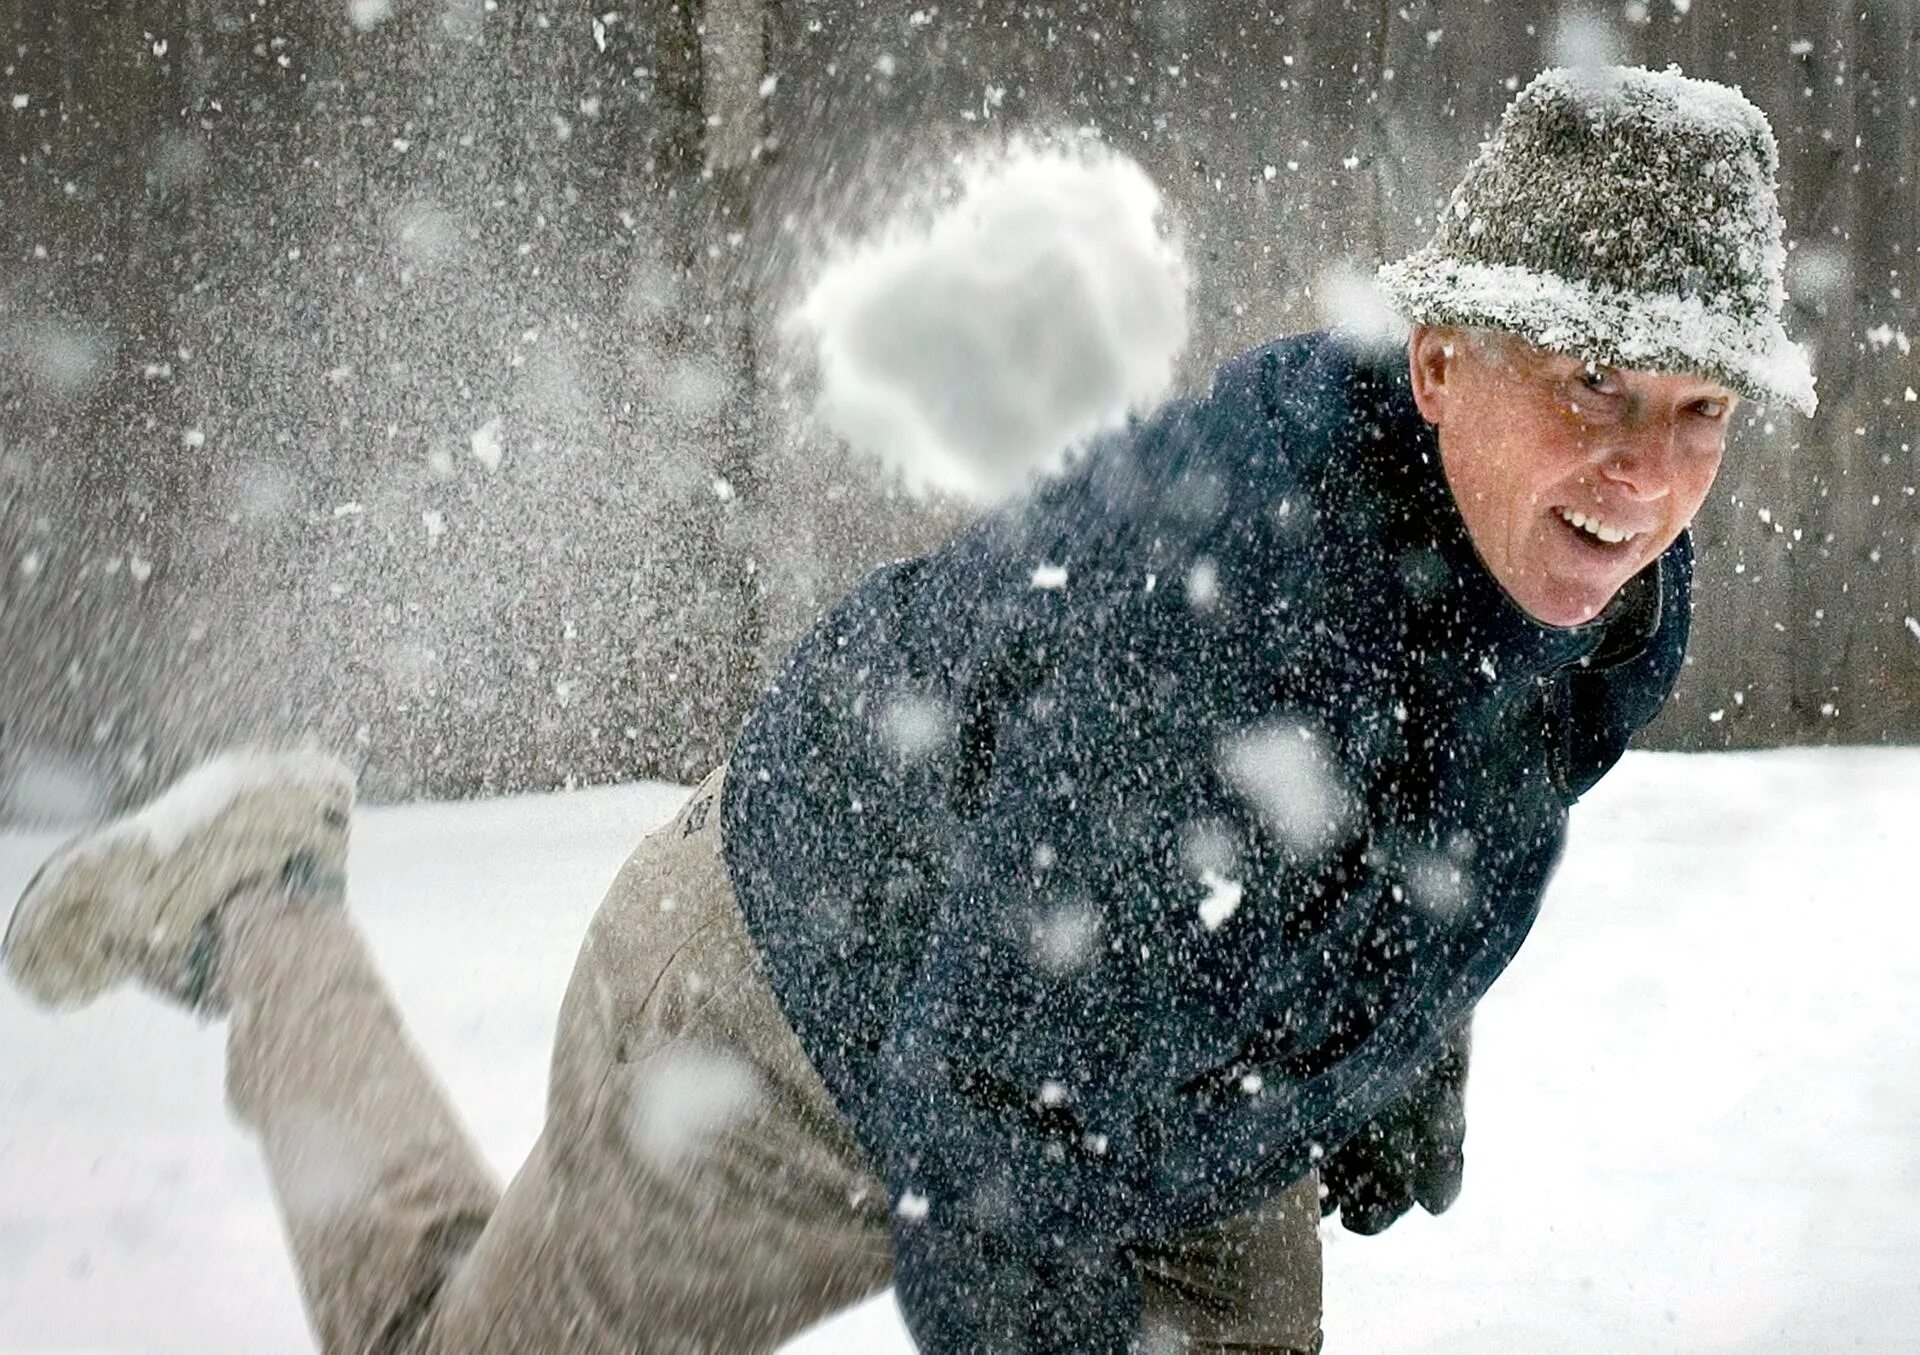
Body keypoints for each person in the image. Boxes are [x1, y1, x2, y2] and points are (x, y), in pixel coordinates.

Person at [4, 64, 1814, 1355]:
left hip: (1159, 1067)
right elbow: (985, 1116)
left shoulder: (1597, 591)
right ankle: (264, 905)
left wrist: (1408, 1033)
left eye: (1695, 410)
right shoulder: (1220, 622)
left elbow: (1449, 790)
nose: (1639, 468)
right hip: (801, 1007)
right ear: (1440, 363)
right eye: (1588, 384)